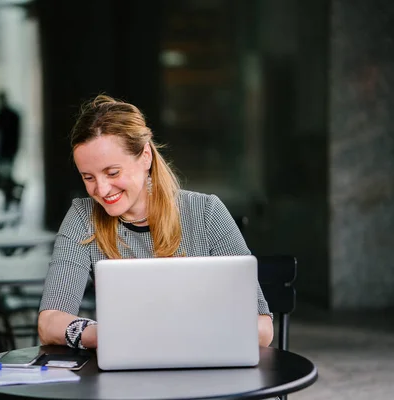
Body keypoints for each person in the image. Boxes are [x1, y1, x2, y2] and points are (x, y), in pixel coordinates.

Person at [38, 95, 274, 350]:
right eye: (88, 177)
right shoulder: (84, 217)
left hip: (208, 370)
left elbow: (262, 328)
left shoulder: (206, 213)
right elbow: (49, 322)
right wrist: (102, 334)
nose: (102, 189)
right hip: (129, 377)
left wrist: (169, 334)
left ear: (146, 156)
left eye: (112, 172)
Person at [0, 91, 21, 209]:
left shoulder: (3, 116)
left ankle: (9, 197)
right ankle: (10, 197)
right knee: (5, 178)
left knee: (5, 178)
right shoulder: (7, 115)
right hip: (6, 152)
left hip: (6, 152)